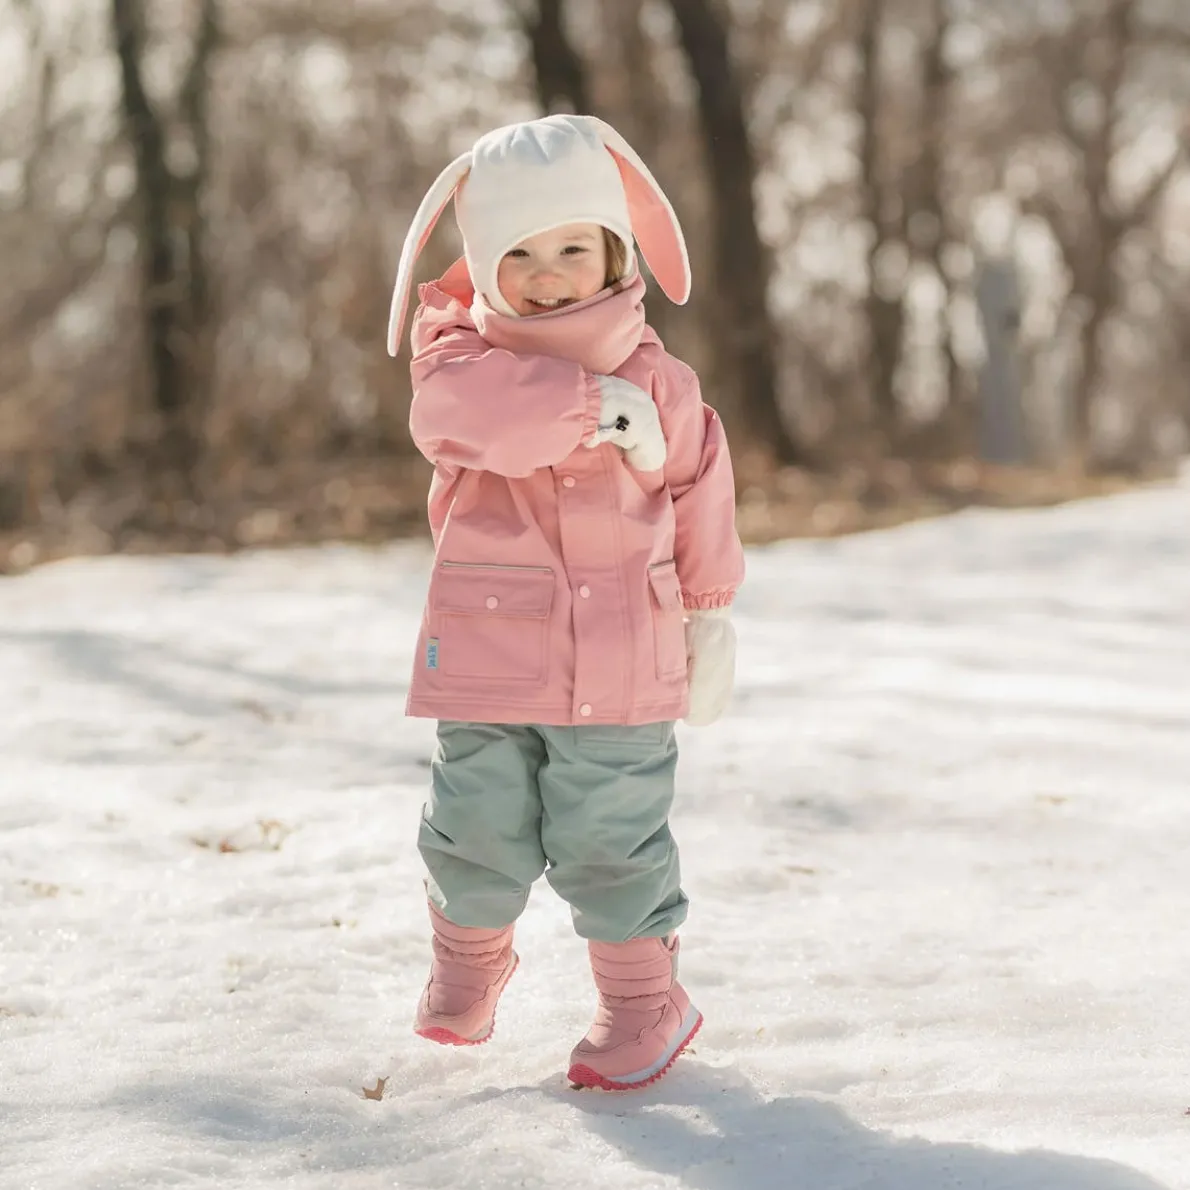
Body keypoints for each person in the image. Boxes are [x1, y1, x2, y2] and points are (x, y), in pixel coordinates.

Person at [385, 114, 745, 1091]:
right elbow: (460, 422)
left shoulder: (660, 384)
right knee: (473, 822)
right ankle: (467, 964)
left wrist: (707, 615)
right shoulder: (455, 360)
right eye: (520, 253)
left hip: (624, 654)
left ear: (614, 251)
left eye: (572, 248)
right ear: (486, 266)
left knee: (610, 837)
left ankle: (641, 1002)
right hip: (490, 655)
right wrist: (588, 408)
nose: (548, 273)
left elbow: (697, 494)